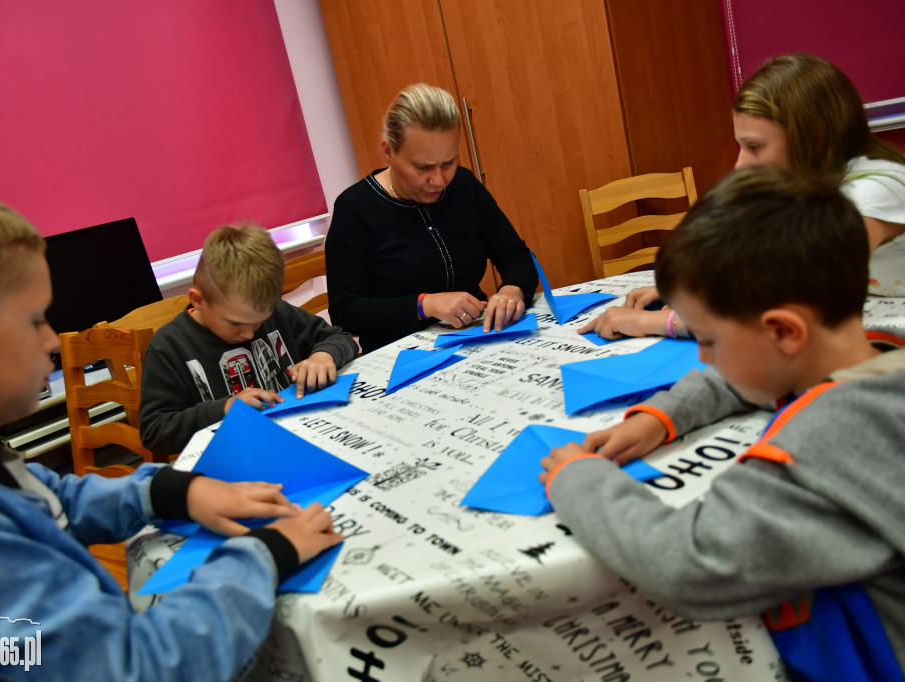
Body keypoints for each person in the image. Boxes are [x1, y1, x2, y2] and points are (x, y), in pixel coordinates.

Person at [0, 181, 344, 680]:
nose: (52, 342)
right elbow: (137, 668)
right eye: (35, 320)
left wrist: (175, 489)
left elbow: (52, 497)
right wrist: (266, 555)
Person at [540, 166, 905, 680]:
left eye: (709, 339)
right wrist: (660, 416)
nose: (705, 359)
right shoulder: (877, 350)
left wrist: (578, 480)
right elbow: (755, 375)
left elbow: (686, 561)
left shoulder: (824, 444)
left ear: (782, 330)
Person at [581, 52, 905, 341]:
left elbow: (791, 298)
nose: (740, 164)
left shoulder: (875, 188)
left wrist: (661, 322)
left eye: (754, 147)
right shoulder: (806, 188)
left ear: (816, 138)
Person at [325, 83, 539, 354]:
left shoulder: (463, 185)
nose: (439, 180)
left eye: (448, 163)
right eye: (423, 167)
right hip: (400, 357)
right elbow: (346, 311)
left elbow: (515, 254)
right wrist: (425, 304)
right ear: (388, 152)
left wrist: (512, 290)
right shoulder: (355, 208)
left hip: (475, 340)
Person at [139, 223, 358, 456]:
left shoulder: (278, 313)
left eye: (258, 322)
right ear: (199, 300)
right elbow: (154, 431)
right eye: (235, 323)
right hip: (228, 462)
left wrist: (323, 356)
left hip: (297, 442)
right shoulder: (169, 347)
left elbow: (341, 339)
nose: (249, 334)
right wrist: (224, 408)